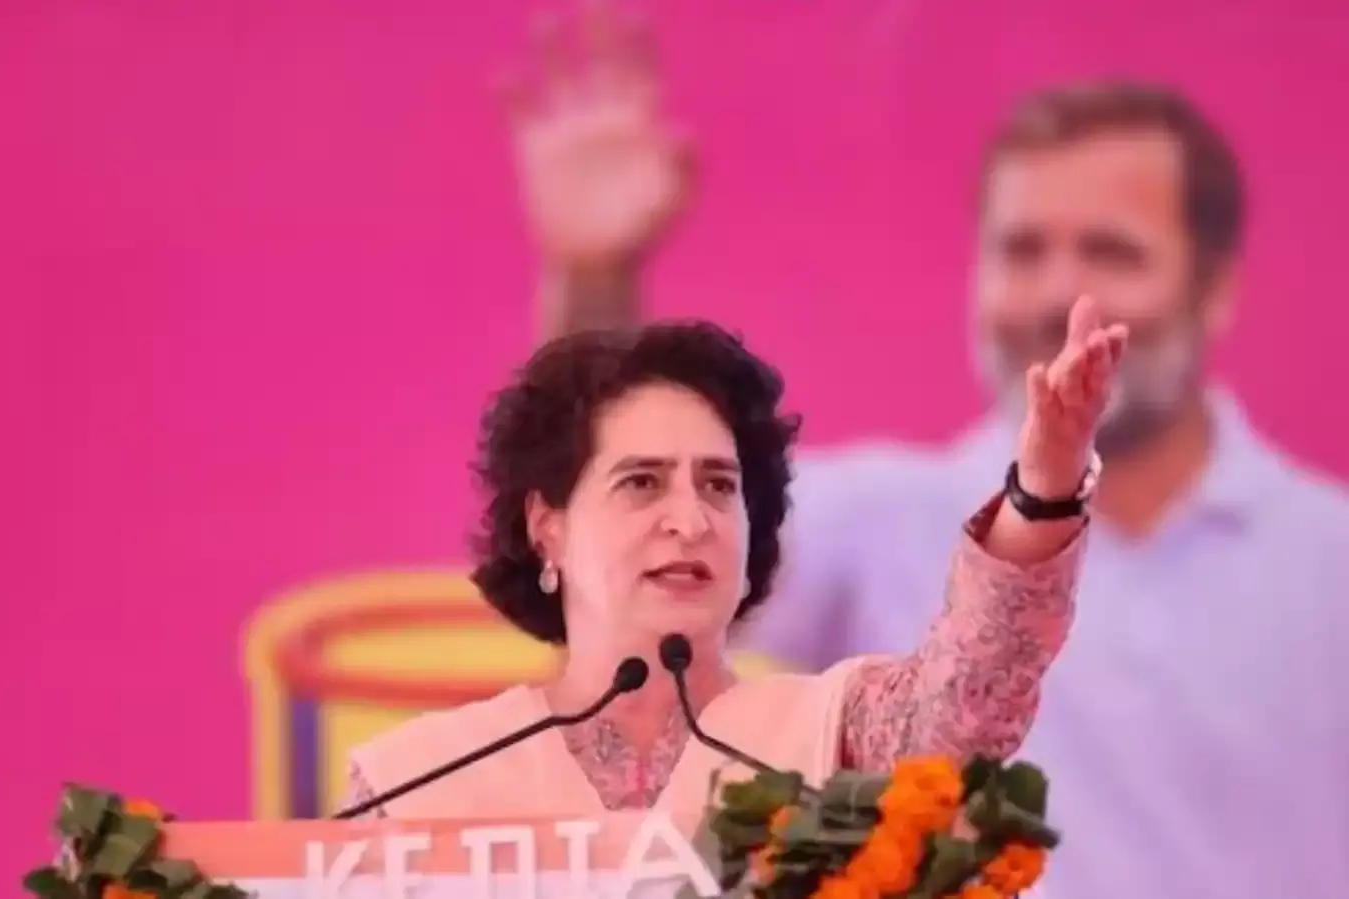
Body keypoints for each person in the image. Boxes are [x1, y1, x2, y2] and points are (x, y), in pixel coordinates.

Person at [505, 7, 1349, 898]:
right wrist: (595, 281)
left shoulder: (1329, 558)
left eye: (1111, 251)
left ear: (1214, 287)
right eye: (1022, 250)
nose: (1058, 293)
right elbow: (623, 547)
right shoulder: (878, 525)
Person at [342, 310, 1123, 829]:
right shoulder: (420, 785)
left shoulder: (839, 737)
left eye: (719, 486)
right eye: (642, 482)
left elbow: (976, 688)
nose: (691, 519)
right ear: (549, 527)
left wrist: (1043, 488)